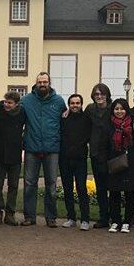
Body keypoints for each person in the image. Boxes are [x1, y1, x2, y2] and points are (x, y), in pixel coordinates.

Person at [21, 72, 67, 227]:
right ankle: (29, 216)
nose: (42, 84)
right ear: (36, 83)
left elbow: (67, 119)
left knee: (51, 185)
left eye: (45, 82)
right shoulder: (26, 100)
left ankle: (51, 217)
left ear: (49, 83)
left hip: (52, 148)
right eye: (40, 82)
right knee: (29, 184)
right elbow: (11, 110)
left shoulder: (59, 101)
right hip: (32, 148)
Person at [102, 98, 134, 233]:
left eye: (122, 108)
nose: (119, 111)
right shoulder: (109, 124)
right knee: (114, 192)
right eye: (117, 109)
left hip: (130, 161)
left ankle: (127, 221)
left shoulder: (133, 123)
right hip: (114, 160)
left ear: (126, 110)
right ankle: (116, 220)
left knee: (130, 192)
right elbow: (105, 144)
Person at [0, 91, 26, 226]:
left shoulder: (22, 112)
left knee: (14, 185)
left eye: (9, 103)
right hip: (0, 154)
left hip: (15, 154)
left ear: (16, 104)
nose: (6, 104)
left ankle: (10, 214)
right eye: (5, 101)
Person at [59, 94, 92, 230]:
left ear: (81, 104)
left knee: (81, 188)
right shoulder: (64, 118)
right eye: (72, 103)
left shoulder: (87, 119)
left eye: (77, 103)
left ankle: (85, 219)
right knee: (67, 189)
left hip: (80, 159)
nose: (75, 105)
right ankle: (71, 217)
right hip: (65, 159)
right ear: (69, 105)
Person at [85, 84, 112, 228]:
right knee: (101, 187)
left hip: (111, 153)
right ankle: (103, 217)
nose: (99, 96)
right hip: (96, 153)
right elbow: (82, 123)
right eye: (96, 94)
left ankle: (116, 217)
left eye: (102, 94)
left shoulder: (113, 108)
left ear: (107, 95)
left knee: (114, 186)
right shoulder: (90, 109)